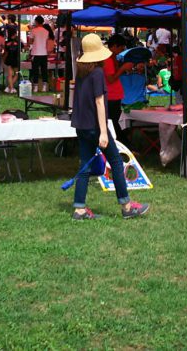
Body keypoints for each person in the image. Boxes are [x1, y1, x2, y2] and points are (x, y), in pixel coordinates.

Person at [69, 33, 150, 220]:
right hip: (95, 127)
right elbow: (99, 102)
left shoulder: (81, 71)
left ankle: (79, 209)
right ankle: (127, 207)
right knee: (116, 161)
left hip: (81, 125)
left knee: (84, 166)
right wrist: (103, 132)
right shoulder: (97, 72)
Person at [103, 34, 134, 144]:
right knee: (113, 122)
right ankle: (123, 143)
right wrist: (123, 69)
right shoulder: (108, 60)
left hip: (115, 94)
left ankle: (121, 142)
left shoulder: (112, 58)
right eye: (121, 48)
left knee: (113, 121)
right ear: (115, 46)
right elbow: (111, 79)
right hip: (111, 95)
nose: (122, 50)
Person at [29, 15, 51, 92]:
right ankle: (44, 87)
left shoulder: (33, 30)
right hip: (44, 53)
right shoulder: (46, 31)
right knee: (44, 70)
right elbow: (47, 41)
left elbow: (30, 41)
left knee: (35, 71)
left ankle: (35, 87)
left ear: (36, 22)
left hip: (36, 53)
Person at [3, 26, 21, 93]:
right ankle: (11, 88)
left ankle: (10, 88)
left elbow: (6, 52)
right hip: (16, 59)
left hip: (9, 59)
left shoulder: (6, 43)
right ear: (15, 33)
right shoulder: (18, 42)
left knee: (10, 75)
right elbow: (23, 48)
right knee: (17, 74)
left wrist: (4, 59)